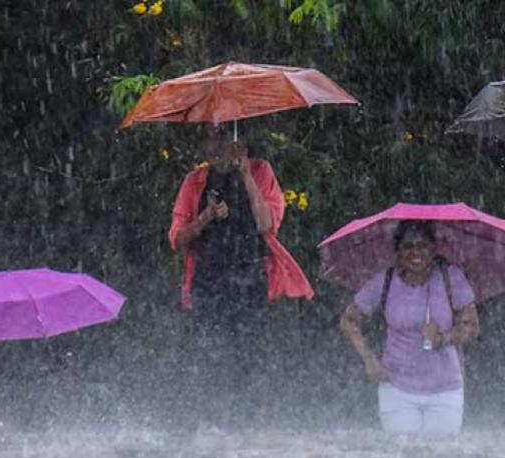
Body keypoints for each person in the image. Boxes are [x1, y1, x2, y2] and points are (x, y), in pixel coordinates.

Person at [168, 126, 313, 423]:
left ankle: (246, 419)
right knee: (212, 353)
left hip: (249, 277)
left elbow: (266, 224)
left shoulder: (261, 171)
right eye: (211, 137)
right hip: (209, 279)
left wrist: (246, 176)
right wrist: (206, 218)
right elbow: (177, 239)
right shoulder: (194, 181)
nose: (216, 145)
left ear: (240, 142)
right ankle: (212, 419)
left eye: (223, 137)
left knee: (248, 354)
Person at [340, 220, 479, 434]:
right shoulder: (384, 280)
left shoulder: (450, 277)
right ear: (397, 250)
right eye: (408, 246)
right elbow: (349, 320)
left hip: (445, 388)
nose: (416, 252)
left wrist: (443, 338)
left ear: (434, 248)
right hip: (396, 387)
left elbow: (471, 327)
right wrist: (369, 359)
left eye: (423, 245)